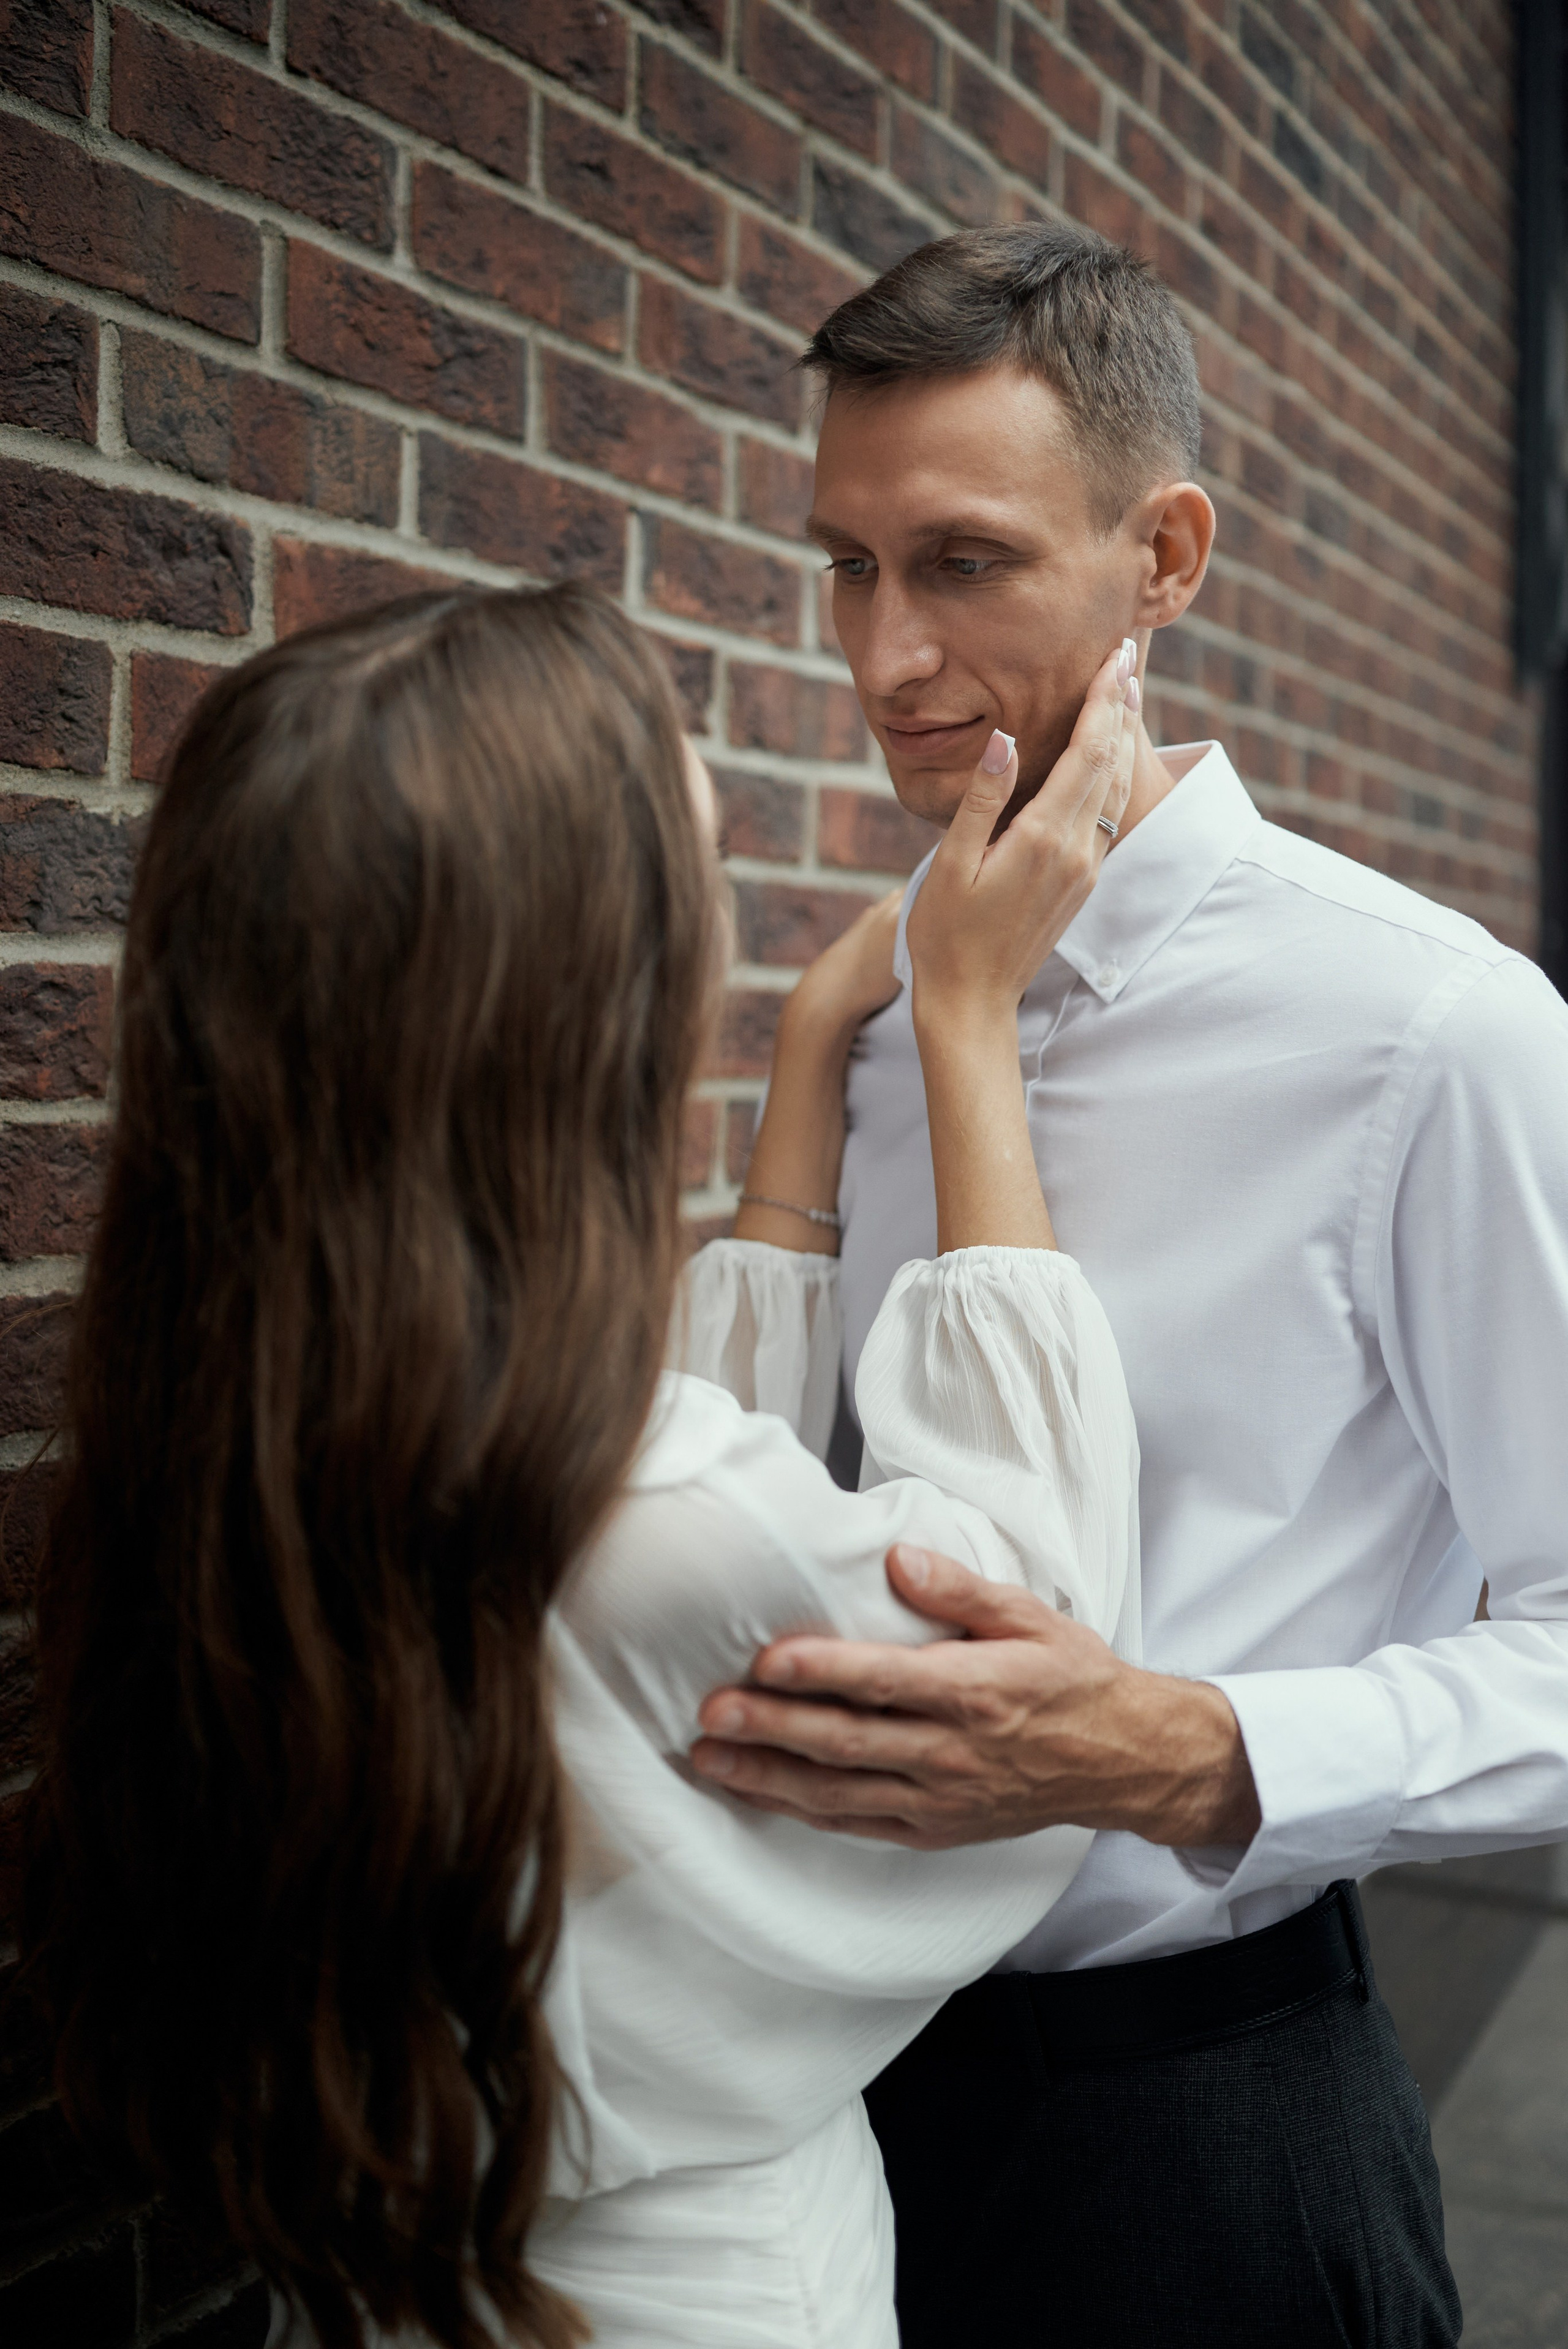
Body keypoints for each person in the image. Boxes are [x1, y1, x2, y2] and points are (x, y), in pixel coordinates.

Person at [19, 579, 1145, 2349]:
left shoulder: (240, 1425)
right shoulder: (641, 1520)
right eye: (693, 879)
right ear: (578, 997)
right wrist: (970, 1028)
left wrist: (797, 1061)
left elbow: (679, 1491)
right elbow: (1033, 1650)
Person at [690, 222, 1568, 2347]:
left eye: (965, 564)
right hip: (816, 2126)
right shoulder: (882, 1022)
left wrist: (1186, 1750)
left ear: (1162, 552)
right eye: (848, 567)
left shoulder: (1429, 1030)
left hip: (1209, 2135)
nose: (887, 657)